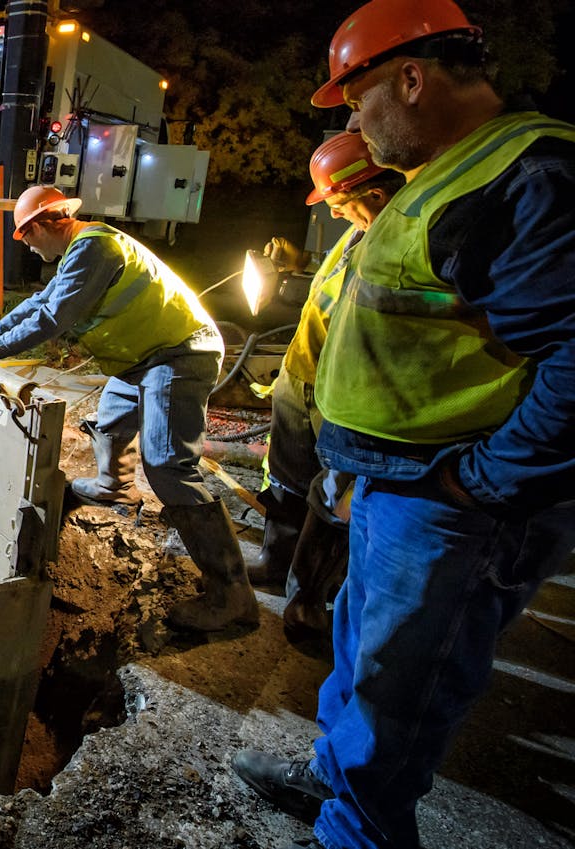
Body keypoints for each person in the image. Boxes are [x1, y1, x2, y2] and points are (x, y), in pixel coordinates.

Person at [231, 1, 575, 847]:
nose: (355, 121)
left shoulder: (522, 178)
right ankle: (331, 779)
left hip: (448, 506)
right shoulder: (448, 176)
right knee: (360, 654)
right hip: (397, 490)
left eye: (357, 98)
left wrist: (486, 481)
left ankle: (360, 827)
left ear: (412, 79)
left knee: (398, 693)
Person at [0, 185, 256, 632]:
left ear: (52, 222)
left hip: (180, 353)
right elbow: (37, 304)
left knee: (167, 466)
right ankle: (113, 487)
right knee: (110, 422)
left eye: (27, 233)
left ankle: (231, 590)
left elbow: (54, 319)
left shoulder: (95, 247)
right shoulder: (78, 253)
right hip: (144, 357)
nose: (26, 243)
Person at [252, 133, 403, 643]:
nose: (335, 215)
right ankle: (276, 561)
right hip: (301, 379)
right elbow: (333, 285)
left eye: (340, 204)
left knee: (332, 497)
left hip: (341, 393)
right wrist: (298, 267)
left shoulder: (399, 244)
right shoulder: (361, 234)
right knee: (288, 477)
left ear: (376, 197)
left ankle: (307, 603)